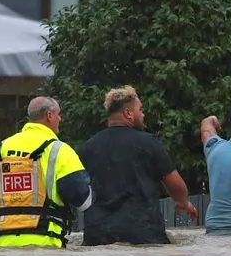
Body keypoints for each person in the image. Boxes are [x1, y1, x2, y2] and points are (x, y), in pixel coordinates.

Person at [76, 86, 196, 246]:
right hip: (143, 234)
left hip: (98, 236)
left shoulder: (87, 148)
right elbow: (175, 184)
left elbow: (77, 188)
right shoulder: (148, 143)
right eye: (140, 110)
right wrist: (182, 202)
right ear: (128, 113)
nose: (143, 114)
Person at [0, 96, 91, 247]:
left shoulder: (1, 148)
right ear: (49, 116)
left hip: (0, 247)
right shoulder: (60, 151)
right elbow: (84, 201)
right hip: (46, 245)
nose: (60, 118)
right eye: (59, 114)